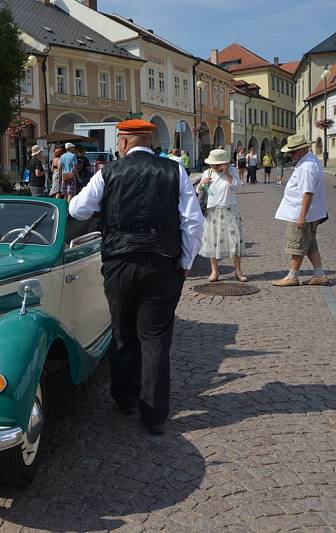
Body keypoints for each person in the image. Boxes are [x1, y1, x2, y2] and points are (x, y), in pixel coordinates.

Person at [68, 119, 204, 435]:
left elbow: (77, 209)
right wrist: (184, 263)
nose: (118, 145)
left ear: (127, 141)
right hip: (162, 263)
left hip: (119, 263)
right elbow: (193, 223)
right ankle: (154, 415)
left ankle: (125, 399)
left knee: (123, 331)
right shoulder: (174, 170)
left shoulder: (108, 173)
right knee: (155, 338)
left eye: (119, 140)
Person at [272, 134, 329, 287]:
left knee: (296, 244)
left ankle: (292, 276)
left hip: (302, 212)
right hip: (308, 212)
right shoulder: (309, 160)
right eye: (291, 152)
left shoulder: (306, 167)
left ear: (303, 149)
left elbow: (307, 193)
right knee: (310, 244)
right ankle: (319, 274)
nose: (291, 155)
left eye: (294, 151)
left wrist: (301, 216)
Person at [197, 150, 247, 282]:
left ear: (224, 163)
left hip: (229, 209)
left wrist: (228, 174)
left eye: (217, 164)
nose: (214, 167)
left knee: (235, 242)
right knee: (213, 242)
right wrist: (203, 184)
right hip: (212, 211)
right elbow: (198, 190)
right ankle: (214, 271)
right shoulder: (207, 173)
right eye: (212, 164)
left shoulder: (232, 171)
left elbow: (236, 188)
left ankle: (238, 271)